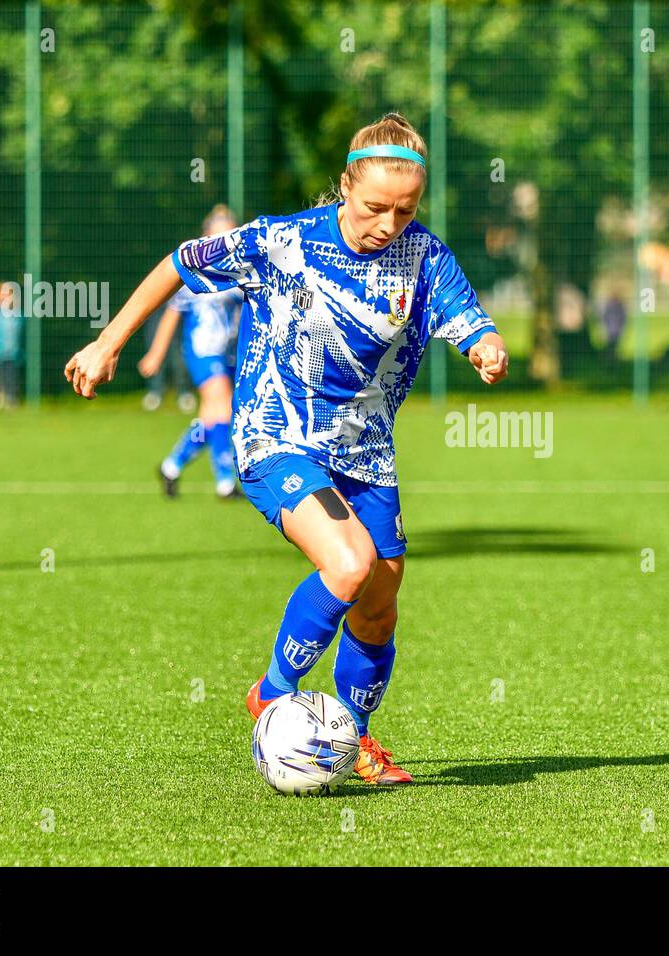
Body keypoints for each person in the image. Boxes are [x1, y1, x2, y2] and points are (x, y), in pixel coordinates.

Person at [64, 113, 508, 785]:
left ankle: (354, 739)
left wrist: (486, 345)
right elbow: (180, 264)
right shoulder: (282, 242)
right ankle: (273, 691)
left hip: (364, 453)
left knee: (379, 603)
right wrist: (108, 343)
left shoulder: (423, 256)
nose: (388, 223)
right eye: (373, 207)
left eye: (405, 209)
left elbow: (467, 317)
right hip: (275, 436)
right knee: (351, 562)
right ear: (344, 189)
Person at [138, 205, 244, 499]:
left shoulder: (239, 270)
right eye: (220, 232)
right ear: (207, 236)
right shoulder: (198, 272)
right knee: (222, 408)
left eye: (231, 231)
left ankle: (171, 466)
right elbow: (172, 313)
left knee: (212, 419)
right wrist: (156, 354)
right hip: (202, 353)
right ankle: (225, 482)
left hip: (226, 356)